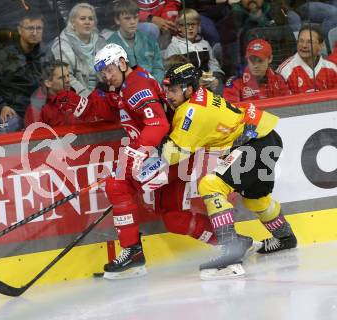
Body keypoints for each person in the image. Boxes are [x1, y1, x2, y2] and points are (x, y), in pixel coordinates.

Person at [55, 44, 220, 279]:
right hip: (167, 155)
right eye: (102, 73)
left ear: (122, 63)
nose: (106, 76)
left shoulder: (137, 86)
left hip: (166, 153)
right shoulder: (122, 87)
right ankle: (228, 241)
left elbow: (158, 124)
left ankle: (132, 252)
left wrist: (137, 152)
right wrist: (80, 105)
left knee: (117, 185)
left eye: (109, 70)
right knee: (174, 218)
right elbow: (112, 109)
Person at [161, 62, 297, 280]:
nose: (168, 95)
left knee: (210, 184)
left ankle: (230, 255)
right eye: (166, 89)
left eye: (173, 90)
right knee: (256, 198)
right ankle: (285, 238)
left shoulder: (191, 111)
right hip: (266, 137)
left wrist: (151, 149)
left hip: (253, 145)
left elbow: (172, 154)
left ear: (188, 89)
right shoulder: (201, 95)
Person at [0, 11, 46, 134]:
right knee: (10, 126)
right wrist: (2, 106)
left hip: (39, 110)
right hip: (13, 111)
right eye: (30, 28)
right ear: (20, 30)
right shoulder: (3, 56)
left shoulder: (45, 55)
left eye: (39, 28)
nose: (35, 32)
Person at [51, 3, 106, 97]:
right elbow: (67, 78)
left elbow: (109, 70)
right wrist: (89, 98)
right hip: (76, 97)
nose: (87, 22)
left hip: (101, 94)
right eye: (82, 18)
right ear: (73, 22)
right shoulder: (61, 44)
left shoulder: (101, 41)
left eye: (91, 19)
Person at [164, 8, 224, 94]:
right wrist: (196, 82)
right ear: (179, 27)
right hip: (187, 87)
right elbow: (174, 74)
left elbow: (213, 64)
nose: (190, 28)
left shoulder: (205, 44)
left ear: (198, 26)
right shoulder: (174, 46)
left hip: (207, 84)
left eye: (193, 24)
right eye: (186, 25)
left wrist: (216, 78)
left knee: (220, 85)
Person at [24, 60, 100, 127]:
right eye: (62, 78)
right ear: (48, 83)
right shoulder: (36, 109)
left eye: (68, 76)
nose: (67, 80)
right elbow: (36, 140)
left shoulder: (74, 98)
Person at [107, 0, 164, 83]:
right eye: (127, 18)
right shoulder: (110, 45)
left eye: (135, 17)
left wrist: (153, 83)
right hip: (127, 90)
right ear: (117, 20)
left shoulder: (150, 41)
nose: (133, 22)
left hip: (152, 87)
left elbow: (158, 68)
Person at [224, 38, 290, 102]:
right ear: (247, 59)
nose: (255, 65)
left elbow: (289, 106)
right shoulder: (235, 83)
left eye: (260, 61)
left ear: (270, 59)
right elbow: (230, 111)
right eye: (252, 60)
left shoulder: (279, 80)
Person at [277, 24, 337, 93]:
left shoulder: (332, 68)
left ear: (321, 45)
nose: (304, 45)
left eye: (310, 42)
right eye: (301, 41)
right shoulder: (285, 71)